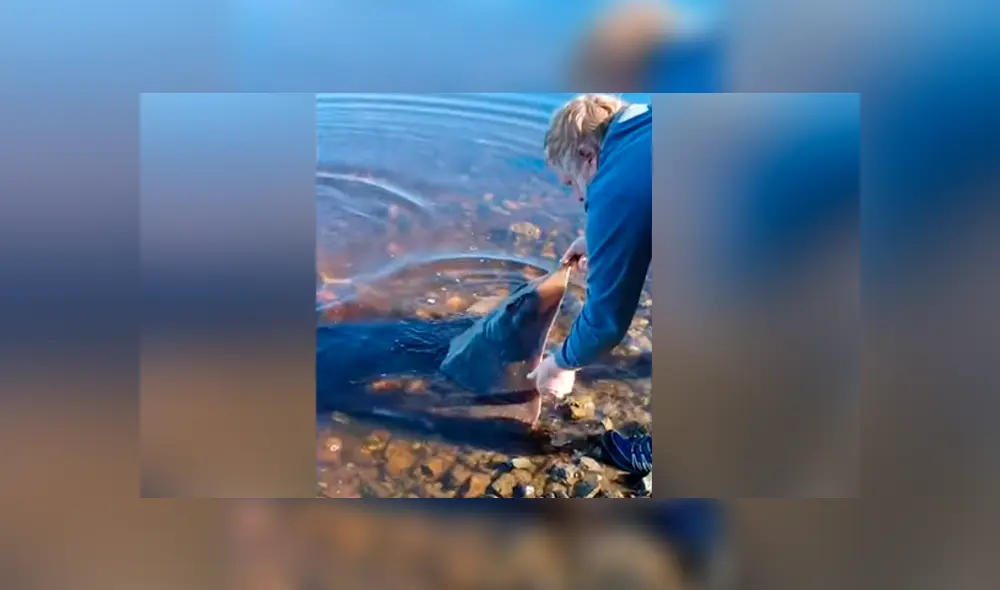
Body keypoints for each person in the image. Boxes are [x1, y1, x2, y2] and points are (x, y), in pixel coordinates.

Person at [526, 94, 652, 475]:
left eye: (571, 183)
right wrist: (602, 240)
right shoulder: (645, 122)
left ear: (587, 155)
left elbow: (605, 323)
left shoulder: (615, 187)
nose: (580, 196)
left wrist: (561, 363)